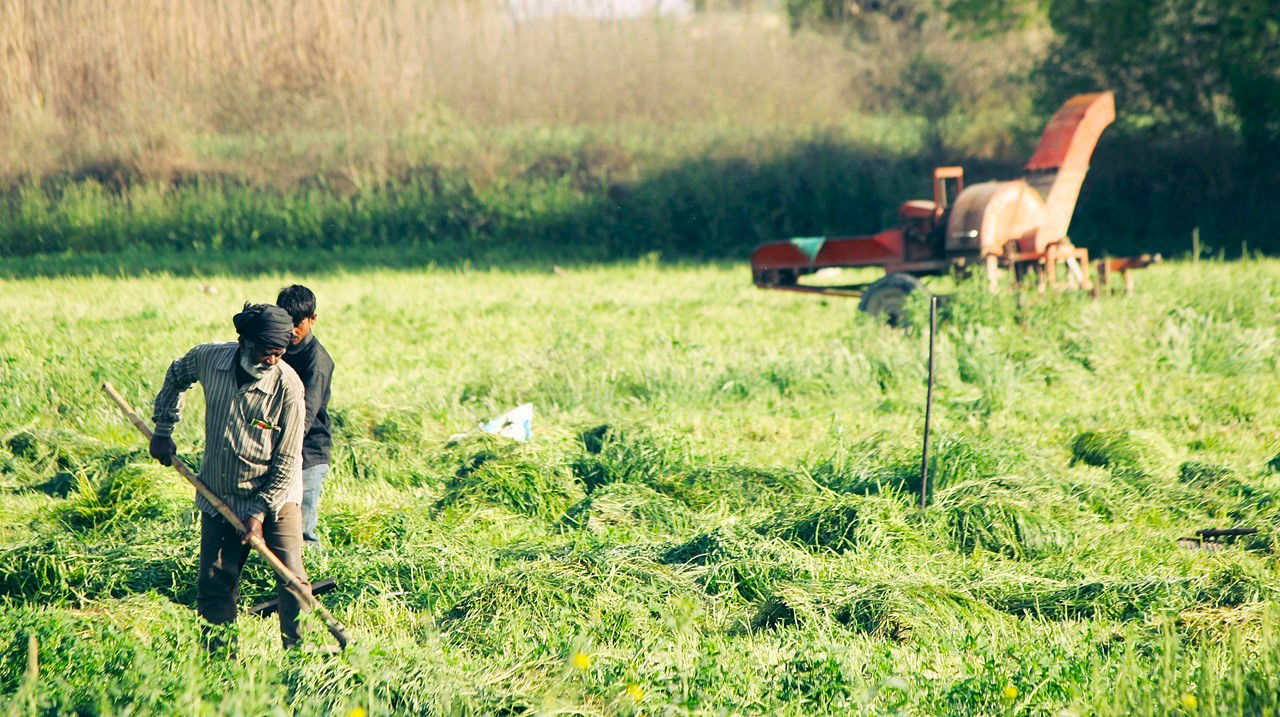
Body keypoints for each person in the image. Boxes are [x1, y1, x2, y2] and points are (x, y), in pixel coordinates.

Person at [149, 303, 313, 652]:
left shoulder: (289, 388)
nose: (271, 360)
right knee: (214, 583)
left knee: (292, 579)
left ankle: (300, 654)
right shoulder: (209, 359)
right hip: (219, 493)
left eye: (279, 353)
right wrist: (163, 428)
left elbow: (287, 460)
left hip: (276, 495)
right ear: (244, 341)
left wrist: (258, 512)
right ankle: (220, 661)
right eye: (265, 351)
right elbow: (177, 375)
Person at [276, 285, 334, 548]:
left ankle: (308, 584)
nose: (292, 330)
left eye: (298, 323)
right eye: (286, 322)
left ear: (312, 319)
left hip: (308, 453)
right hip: (279, 444)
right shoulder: (275, 349)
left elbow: (305, 416)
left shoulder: (317, 362)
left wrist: (280, 447)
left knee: (302, 530)